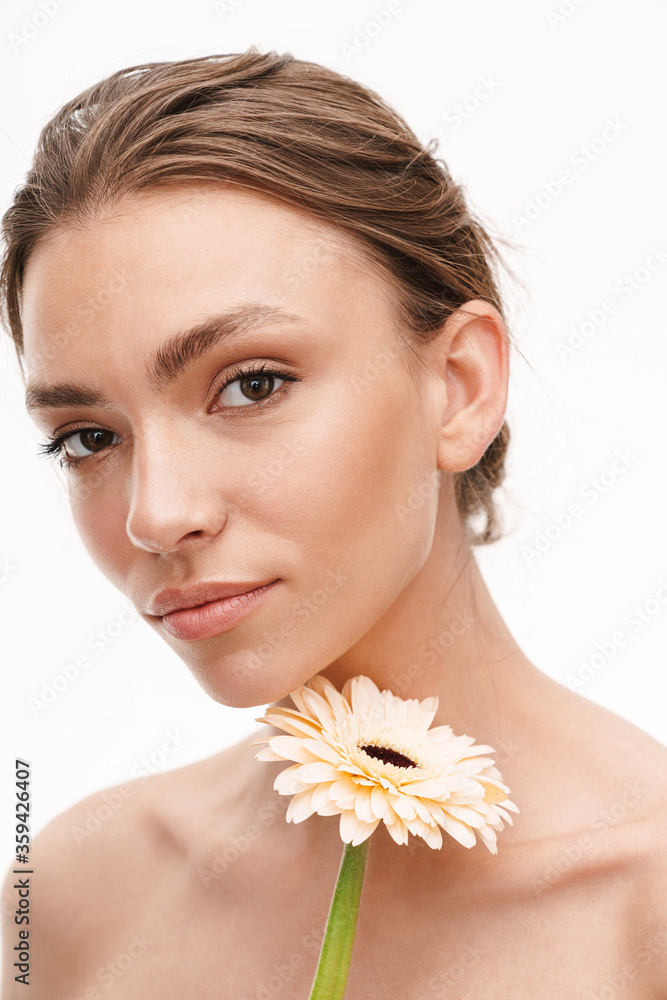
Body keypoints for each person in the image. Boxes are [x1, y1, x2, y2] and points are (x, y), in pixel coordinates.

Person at [2, 47, 666, 999]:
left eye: (251, 384)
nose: (156, 514)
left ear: (458, 388)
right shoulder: (68, 898)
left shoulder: (645, 912)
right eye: (86, 438)